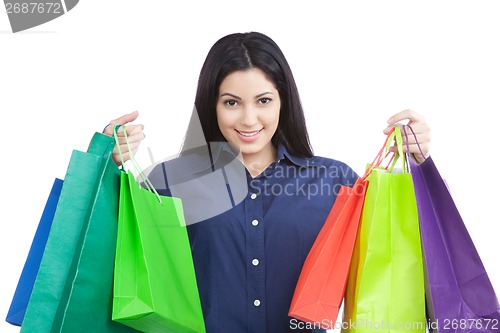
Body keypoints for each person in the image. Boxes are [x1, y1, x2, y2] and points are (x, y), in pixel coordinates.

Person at [103, 31, 431, 333]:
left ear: (282, 101)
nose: (248, 119)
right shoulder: (168, 183)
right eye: (231, 102)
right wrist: (105, 169)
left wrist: (416, 167)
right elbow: (117, 271)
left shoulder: (336, 183)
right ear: (212, 105)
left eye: (263, 101)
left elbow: (397, 256)